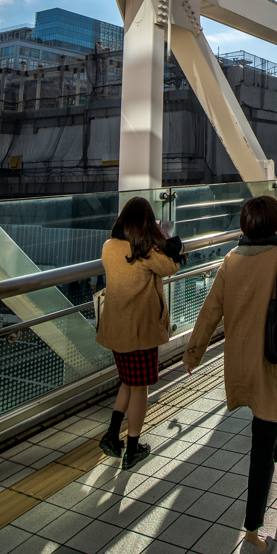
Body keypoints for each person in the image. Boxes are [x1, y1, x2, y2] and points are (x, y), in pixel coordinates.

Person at [183, 196, 277, 554]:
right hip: (271, 361)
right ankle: (252, 533)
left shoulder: (230, 260)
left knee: (264, 418)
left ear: (245, 225)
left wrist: (193, 352)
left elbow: (210, 311)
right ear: (275, 224)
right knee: (263, 434)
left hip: (241, 362)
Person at [96, 197, 186, 469]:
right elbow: (171, 267)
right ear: (147, 222)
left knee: (127, 381)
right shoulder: (145, 250)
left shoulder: (109, 246)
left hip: (116, 329)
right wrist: (167, 243)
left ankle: (112, 436)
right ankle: (133, 447)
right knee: (140, 388)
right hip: (139, 331)